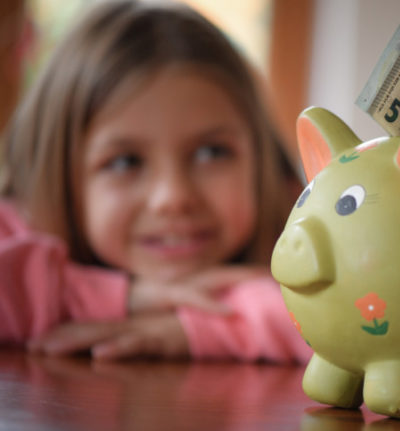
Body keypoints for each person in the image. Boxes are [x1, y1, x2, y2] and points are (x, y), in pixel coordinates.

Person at [0, 0, 310, 362]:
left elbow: (367, 323)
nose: (173, 197)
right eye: (125, 161)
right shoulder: (18, 226)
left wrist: (203, 329)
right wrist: (121, 297)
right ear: (60, 177)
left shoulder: (302, 235)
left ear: (261, 161)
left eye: (212, 152)